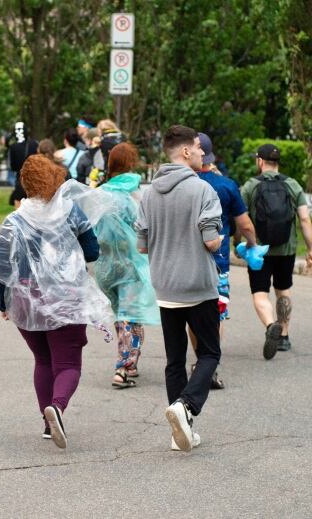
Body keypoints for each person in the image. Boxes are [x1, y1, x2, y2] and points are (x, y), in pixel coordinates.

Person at [0, 155, 112, 450]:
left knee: (43, 360)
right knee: (68, 363)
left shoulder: (14, 220)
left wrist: (2, 303)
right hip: (66, 297)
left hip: (26, 300)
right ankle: (57, 408)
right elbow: (93, 251)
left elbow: (2, 267)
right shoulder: (71, 212)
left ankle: (48, 424)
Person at [136, 125, 223, 453]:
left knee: (174, 360)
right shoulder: (202, 191)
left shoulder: (149, 193)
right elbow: (210, 240)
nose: (203, 154)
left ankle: (180, 434)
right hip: (198, 287)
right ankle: (186, 407)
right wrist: (220, 241)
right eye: (199, 148)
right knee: (210, 353)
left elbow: (142, 246)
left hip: (166, 287)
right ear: (186, 151)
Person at [88, 143, 161, 388]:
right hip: (131, 265)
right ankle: (123, 368)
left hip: (106, 267)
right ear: (131, 164)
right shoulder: (133, 194)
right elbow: (146, 229)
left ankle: (130, 361)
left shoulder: (98, 194)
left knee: (121, 315)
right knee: (132, 316)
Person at [190, 133, 258, 389]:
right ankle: (210, 365)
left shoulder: (185, 184)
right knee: (216, 315)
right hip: (218, 264)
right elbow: (245, 224)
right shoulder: (227, 185)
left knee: (192, 315)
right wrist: (251, 245)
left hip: (187, 262)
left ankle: (200, 361)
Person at [239, 143, 312, 359]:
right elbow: (304, 219)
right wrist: (311, 250)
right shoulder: (292, 185)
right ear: (277, 162)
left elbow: (242, 219)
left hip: (258, 251)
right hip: (286, 249)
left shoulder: (250, 186)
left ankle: (270, 324)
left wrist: (241, 242)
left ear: (260, 161)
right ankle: (283, 335)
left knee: (260, 293)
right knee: (283, 290)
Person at [7, 122, 39, 208]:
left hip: (20, 179)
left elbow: (13, 167)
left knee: (18, 203)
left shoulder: (13, 147)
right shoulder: (34, 144)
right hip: (34, 180)